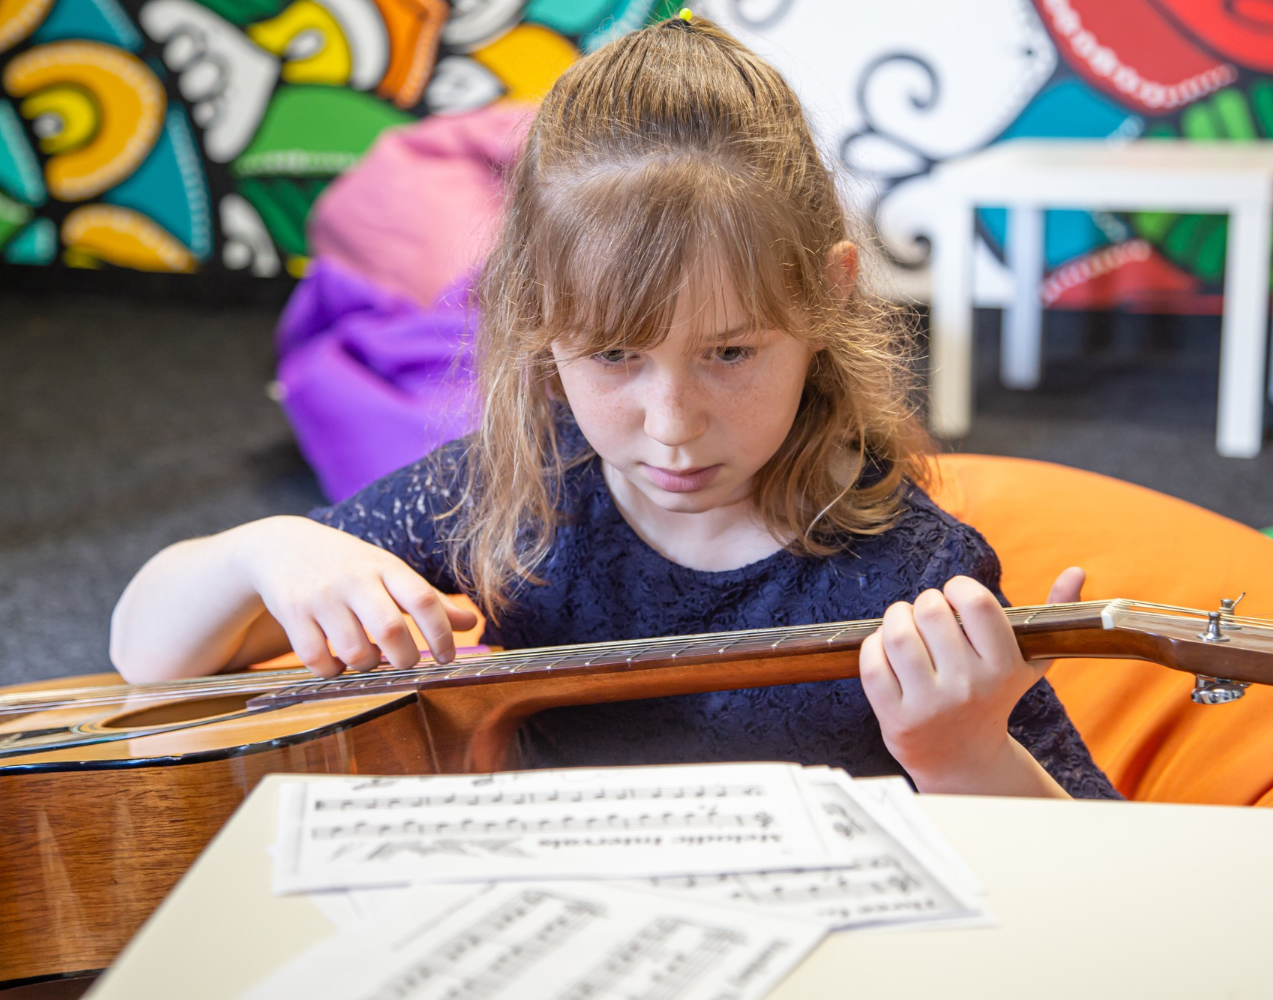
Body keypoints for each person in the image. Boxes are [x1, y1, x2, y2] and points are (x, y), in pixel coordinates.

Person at [111, 12, 1117, 800]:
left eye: (729, 352)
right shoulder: (512, 496)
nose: (672, 422)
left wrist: (963, 755)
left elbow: (1096, 864)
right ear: (538, 324)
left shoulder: (913, 569)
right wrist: (266, 551)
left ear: (828, 294)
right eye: (614, 356)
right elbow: (147, 656)